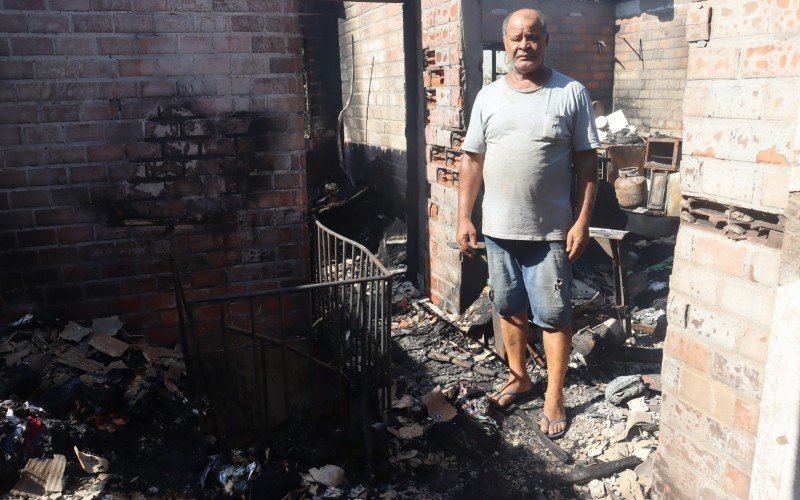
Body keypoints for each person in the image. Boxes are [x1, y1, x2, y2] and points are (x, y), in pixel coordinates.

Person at [457, 8, 599, 439]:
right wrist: (464, 215)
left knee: (554, 316)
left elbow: (589, 163)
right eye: (517, 37)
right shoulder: (488, 97)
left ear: (545, 41)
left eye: (533, 37)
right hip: (498, 230)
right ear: (505, 43)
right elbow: (473, 159)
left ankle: (554, 395)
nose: (525, 45)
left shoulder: (570, 92)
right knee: (509, 308)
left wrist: (582, 221)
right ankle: (520, 377)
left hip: (550, 233)